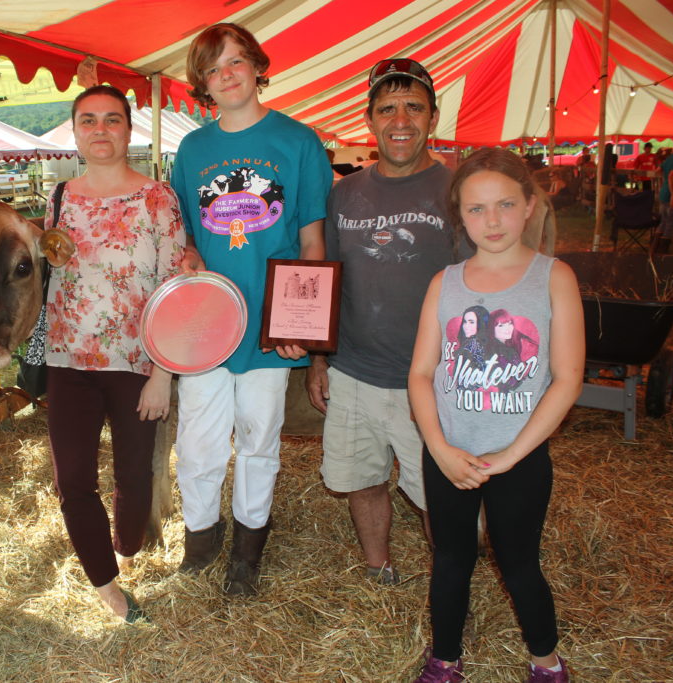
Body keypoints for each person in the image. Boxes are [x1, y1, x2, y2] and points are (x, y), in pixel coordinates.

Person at [407, 147, 584, 682]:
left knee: (519, 562)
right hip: (451, 454)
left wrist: (510, 455)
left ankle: (545, 660)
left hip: (519, 456)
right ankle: (445, 658)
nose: (493, 220)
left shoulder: (553, 278)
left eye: (505, 205)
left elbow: (567, 378)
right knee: (450, 560)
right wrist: (439, 448)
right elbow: (421, 374)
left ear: (529, 206)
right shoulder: (444, 283)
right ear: (459, 216)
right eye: (477, 209)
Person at [170, 23, 331, 596]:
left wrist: (301, 323)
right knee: (198, 439)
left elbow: (312, 242)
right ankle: (200, 538)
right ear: (202, 84)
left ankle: (248, 547)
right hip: (206, 322)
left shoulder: (299, 142)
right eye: (213, 69)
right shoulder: (192, 151)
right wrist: (189, 255)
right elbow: (185, 236)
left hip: (269, 321)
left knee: (260, 437)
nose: (227, 75)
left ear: (258, 66)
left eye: (236, 61)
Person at [306, 58, 460, 584]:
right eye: (388, 108)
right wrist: (319, 360)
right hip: (354, 373)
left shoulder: (458, 191)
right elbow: (329, 279)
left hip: (432, 379)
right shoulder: (345, 193)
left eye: (414, 107)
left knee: (437, 492)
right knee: (362, 478)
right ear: (369, 119)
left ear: (433, 117)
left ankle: (450, 581)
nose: (401, 120)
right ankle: (379, 568)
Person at [43, 85, 184, 621]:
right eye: (88, 120)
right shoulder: (59, 197)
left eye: (111, 119)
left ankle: (127, 548)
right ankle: (107, 587)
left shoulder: (158, 198)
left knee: (134, 475)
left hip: (136, 362)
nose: (100, 130)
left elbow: (174, 290)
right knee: (73, 480)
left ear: (129, 129)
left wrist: (163, 374)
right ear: (75, 132)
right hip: (67, 361)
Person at [652, 136, 673, 254]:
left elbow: (658, 170)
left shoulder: (670, 158)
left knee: (664, 221)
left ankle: (654, 249)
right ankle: (662, 252)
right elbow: (671, 176)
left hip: (664, 194)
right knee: (671, 223)